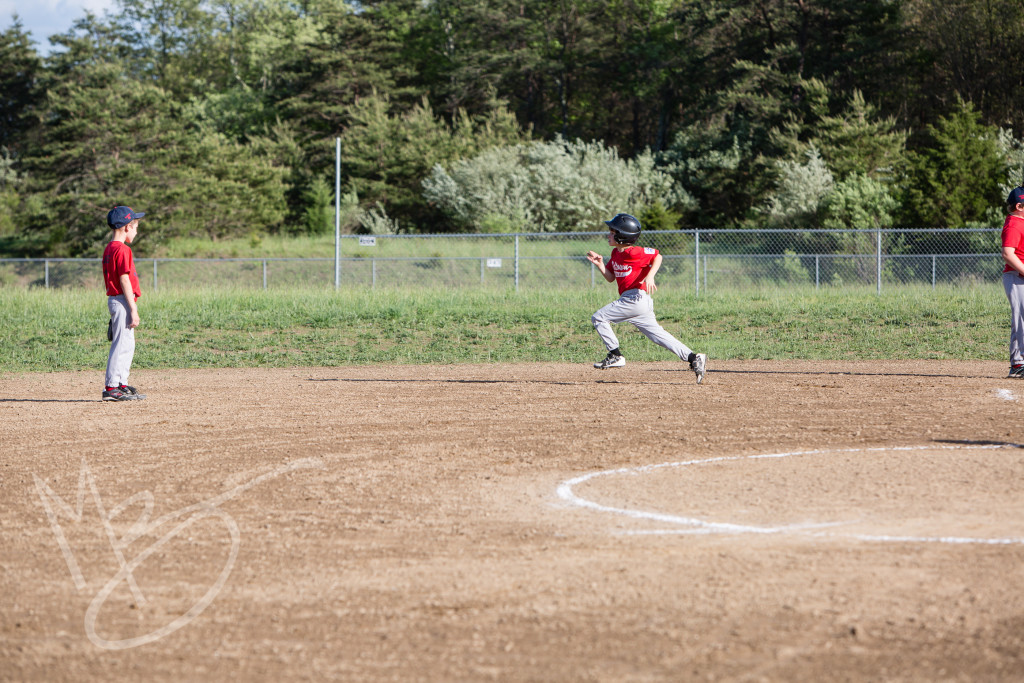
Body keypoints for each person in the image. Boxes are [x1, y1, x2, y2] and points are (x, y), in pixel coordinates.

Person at [585, 213, 707, 384]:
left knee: (598, 317)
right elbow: (611, 277)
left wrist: (650, 277)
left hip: (635, 298)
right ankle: (694, 357)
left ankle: (615, 355)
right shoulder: (616, 253)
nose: (608, 234)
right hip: (637, 302)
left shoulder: (635, 252)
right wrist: (600, 264)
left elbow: (658, 256)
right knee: (658, 336)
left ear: (622, 236)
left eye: (612, 232)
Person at [102, 205, 147, 401]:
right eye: (135, 227)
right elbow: (124, 280)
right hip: (122, 300)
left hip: (117, 300)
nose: (136, 231)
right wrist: (133, 308)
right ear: (127, 227)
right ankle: (111, 387)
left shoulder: (110, 248)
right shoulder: (122, 249)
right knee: (121, 345)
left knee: (127, 344)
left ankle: (121, 383)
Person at [1002, 187, 1024, 378]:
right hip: (1017, 277)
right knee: (1022, 320)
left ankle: (1018, 364)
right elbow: (1007, 254)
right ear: (1019, 206)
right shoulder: (1014, 224)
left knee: (1020, 320)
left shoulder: (1020, 221)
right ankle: (1019, 364)